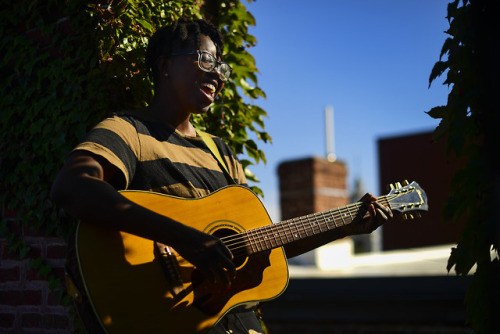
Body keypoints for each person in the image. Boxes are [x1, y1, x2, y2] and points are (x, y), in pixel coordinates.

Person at [51, 18, 393, 334]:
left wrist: (347, 226)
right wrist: (187, 240)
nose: (218, 74)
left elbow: (258, 242)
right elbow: (73, 186)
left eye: (221, 66)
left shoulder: (222, 153)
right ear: (165, 65)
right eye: (205, 60)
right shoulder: (128, 131)